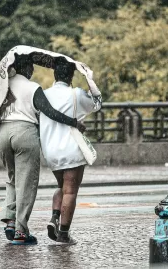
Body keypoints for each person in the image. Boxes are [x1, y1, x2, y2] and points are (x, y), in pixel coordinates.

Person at [0, 54, 85, 245]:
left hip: (2, 134)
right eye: (31, 67)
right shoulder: (33, 87)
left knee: (12, 179)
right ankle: (21, 231)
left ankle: (10, 221)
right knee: (26, 183)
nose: (33, 70)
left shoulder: (2, 84)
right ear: (27, 68)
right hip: (23, 133)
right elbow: (49, 111)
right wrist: (73, 122)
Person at [39, 57, 102, 245]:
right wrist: (89, 78)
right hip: (71, 149)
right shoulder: (76, 94)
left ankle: (54, 218)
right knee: (70, 192)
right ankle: (64, 234)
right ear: (71, 76)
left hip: (51, 151)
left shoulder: (43, 95)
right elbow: (97, 102)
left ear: (54, 75)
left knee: (62, 187)